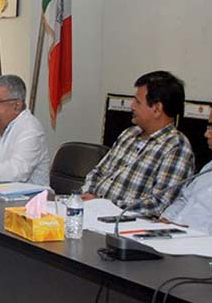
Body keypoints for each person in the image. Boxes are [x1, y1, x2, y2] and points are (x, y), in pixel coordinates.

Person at [82, 71, 194, 216]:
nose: (132, 106)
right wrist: (88, 195)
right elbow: (98, 172)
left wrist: (103, 205)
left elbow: (158, 204)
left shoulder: (176, 147)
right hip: (92, 211)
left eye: (137, 102)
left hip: (123, 221)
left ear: (157, 109)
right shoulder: (129, 134)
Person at [160, 96, 212, 238]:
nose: (206, 134)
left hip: (208, 246)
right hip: (173, 237)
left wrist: (195, 232)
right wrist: (166, 219)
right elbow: (185, 199)